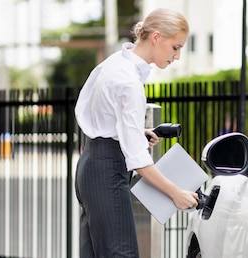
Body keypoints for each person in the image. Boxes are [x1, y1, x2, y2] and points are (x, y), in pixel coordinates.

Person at [74, 8, 199, 258]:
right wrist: (176, 193)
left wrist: (130, 132)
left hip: (91, 165)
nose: (177, 56)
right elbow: (139, 161)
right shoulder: (130, 82)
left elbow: (89, 109)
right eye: (175, 47)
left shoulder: (114, 63)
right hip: (107, 170)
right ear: (156, 37)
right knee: (121, 254)